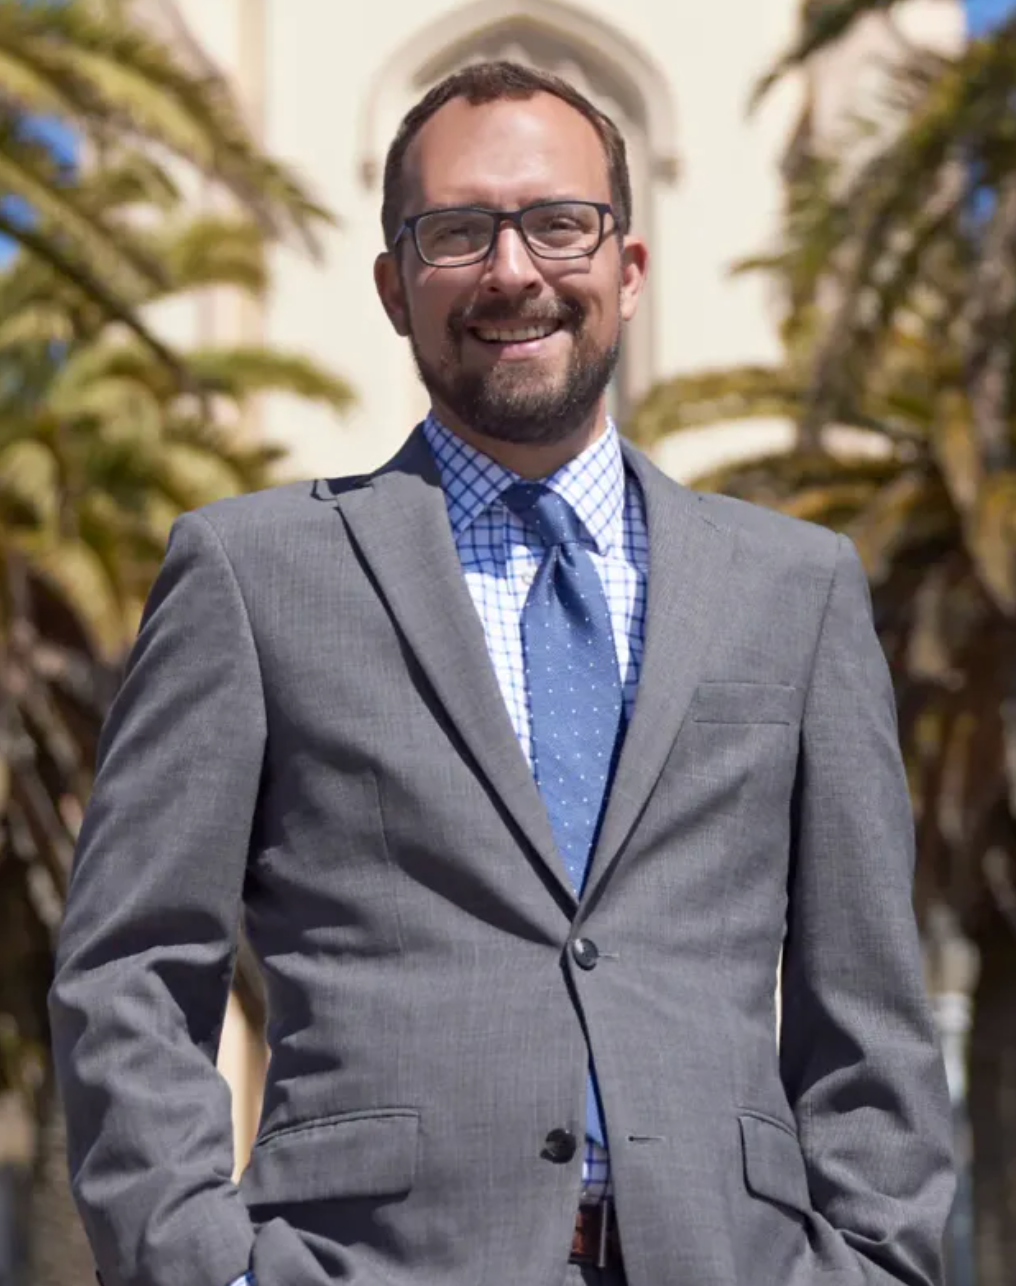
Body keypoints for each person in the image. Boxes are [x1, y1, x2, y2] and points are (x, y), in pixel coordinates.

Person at [50, 60, 955, 1286]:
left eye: (558, 223)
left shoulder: (793, 586)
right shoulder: (250, 575)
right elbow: (130, 967)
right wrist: (209, 1264)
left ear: (626, 269)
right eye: (459, 231)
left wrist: (871, 1263)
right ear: (394, 285)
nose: (513, 269)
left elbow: (870, 1014)